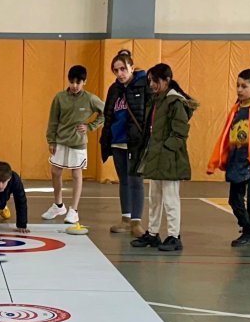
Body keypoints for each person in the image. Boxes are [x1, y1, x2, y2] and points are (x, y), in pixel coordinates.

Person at [208, 69, 250, 252]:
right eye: (238, 85)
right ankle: (248, 230)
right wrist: (218, 158)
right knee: (234, 200)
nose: (239, 89)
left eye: (244, 86)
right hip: (237, 160)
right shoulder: (235, 109)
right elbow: (226, 135)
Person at [131, 63, 196, 252]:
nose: (151, 84)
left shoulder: (175, 102)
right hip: (156, 156)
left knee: (170, 199)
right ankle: (153, 233)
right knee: (155, 197)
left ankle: (174, 236)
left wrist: (166, 150)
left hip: (170, 158)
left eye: (155, 81)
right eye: (150, 80)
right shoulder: (156, 100)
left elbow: (180, 133)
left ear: (167, 81)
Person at [42, 65, 105, 225]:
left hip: (78, 143)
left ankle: (74, 210)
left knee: (76, 175)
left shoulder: (90, 99)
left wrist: (90, 126)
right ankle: (58, 205)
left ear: (84, 82)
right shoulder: (59, 98)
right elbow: (53, 120)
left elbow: (106, 112)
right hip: (61, 141)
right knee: (55, 172)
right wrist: (51, 140)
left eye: (78, 82)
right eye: (72, 82)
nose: (75, 85)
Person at [101, 50, 150, 236]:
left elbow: (148, 113)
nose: (120, 73)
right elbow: (108, 114)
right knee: (123, 180)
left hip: (135, 142)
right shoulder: (114, 89)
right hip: (117, 141)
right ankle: (126, 218)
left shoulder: (143, 85)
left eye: (123, 68)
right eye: (116, 70)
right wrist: (106, 138)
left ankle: (136, 222)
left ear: (131, 67)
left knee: (136, 180)